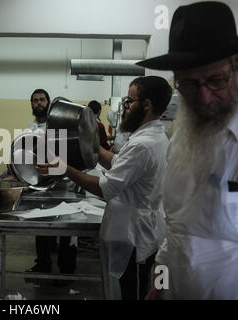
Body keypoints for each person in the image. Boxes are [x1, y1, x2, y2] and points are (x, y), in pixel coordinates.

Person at [37, 76, 173, 299]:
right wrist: (93, 146)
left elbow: (106, 188)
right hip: (136, 231)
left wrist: (65, 168)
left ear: (146, 105)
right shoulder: (153, 137)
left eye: (129, 101)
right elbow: (119, 163)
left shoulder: (143, 144)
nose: (126, 107)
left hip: (133, 238)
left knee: (130, 293)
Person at [137, 1, 238, 299]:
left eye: (216, 80)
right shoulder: (182, 138)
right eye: (190, 85)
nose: (205, 97)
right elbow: (175, 237)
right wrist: (157, 289)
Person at [25, 89, 78, 280]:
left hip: (64, 185)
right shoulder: (29, 128)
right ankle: (43, 265)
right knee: (42, 227)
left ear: (48, 102)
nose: (38, 103)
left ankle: (66, 272)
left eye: (42, 100)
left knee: (67, 229)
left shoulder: (59, 125)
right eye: (35, 100)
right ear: (31, 104)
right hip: (41, 186)